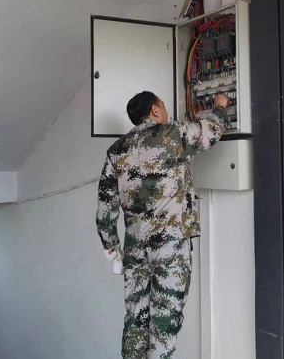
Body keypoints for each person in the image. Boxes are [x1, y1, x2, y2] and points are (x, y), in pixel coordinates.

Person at [96, 91, 230, 359]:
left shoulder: (116, 151)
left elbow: (105, 208)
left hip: (135, 249)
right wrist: (220, 106)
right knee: (164, 325)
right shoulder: (172, 134)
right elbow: (211, 131)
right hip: (170, 248)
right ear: (155, 111)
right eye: (164, 106)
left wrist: (112, 249)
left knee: (135, 320)